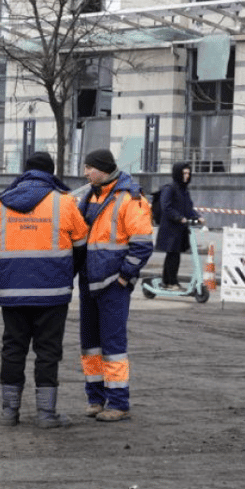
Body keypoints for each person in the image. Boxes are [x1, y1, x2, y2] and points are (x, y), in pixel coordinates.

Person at [0, 152, 90, 428]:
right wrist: (67, 272)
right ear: (51, 172)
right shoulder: (65, 203)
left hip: (12, 291)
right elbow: (81, 242)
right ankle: (46, 414)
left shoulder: (1, 204)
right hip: (52, 291)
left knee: (13, 348)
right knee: (48, 350)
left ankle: (9, 412)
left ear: (26, 171)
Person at [77, 149, 154, 422]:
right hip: (90, 281)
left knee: (113, 346)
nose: (85, 173)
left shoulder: (130, 198)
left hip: (112, 284)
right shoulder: (90, 196)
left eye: (89, 168)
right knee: (91, 345)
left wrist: (124, 276)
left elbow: (143, 244)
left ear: (103, 168)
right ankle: (95, 398)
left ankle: (118, 402)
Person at [154, 161, 203, 290]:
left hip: (180, 229)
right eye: (184, 173)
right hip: (170, 229)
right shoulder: (170, 188)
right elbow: (166, 207)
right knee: (173, 255)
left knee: (174, 255)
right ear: (178, 173)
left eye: (188, 173)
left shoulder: (184, 190)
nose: (187, 176)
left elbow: (188, 208)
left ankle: (169, 281)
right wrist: (179, 217)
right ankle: (170, 282)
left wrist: (197, 217)